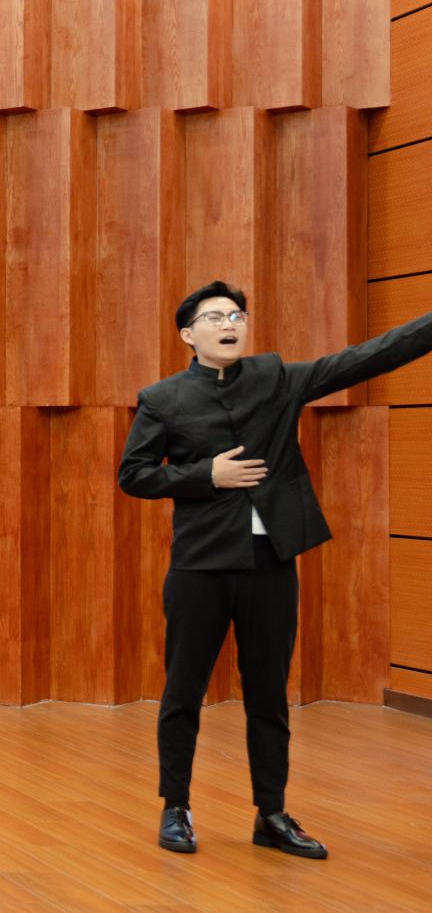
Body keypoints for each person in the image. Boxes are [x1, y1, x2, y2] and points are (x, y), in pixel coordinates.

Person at [120, 281, 432, 860]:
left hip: (271, 563)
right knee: (184, 690)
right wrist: (205, 475)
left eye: (236, 315)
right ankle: (176, 807)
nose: (228, 323)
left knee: (269, 697)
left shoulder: (277, 379)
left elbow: (369, 356)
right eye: (214, 317)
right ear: (188, 335)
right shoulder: (162, 399)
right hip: (200, 564)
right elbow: (134, 475)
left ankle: (272, 814)